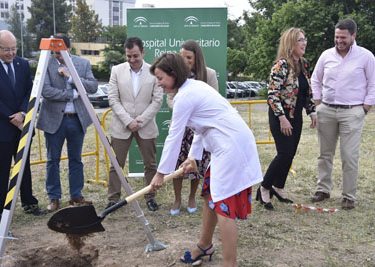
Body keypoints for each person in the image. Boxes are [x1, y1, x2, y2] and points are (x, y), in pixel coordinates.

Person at [150, 53, 262, 267]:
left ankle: (230, 264)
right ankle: (204, 245)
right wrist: (193, 156)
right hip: (224, 146)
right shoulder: (191, 88)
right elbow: (202, 128)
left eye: (161, 78)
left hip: (231, 148)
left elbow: (175, 136)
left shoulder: (185, 95)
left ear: (173, 74)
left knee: (223, 205)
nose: (159, 84)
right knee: (211, 196)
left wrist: (160, 173)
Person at [0, 30, 46, 225]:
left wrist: (23, 113)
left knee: (23, 166)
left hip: (22, 125)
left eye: (13, 49)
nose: (10, 53)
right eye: (6, 49)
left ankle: (29, 203)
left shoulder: (22, 64)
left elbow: (30, 90)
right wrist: (12, 117)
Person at [310, 18, 375, 210]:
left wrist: (364, 109)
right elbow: (315, 79)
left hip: (352, 111)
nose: (339, 41)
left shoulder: (366, 57)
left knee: (349, 156)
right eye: (337, 37)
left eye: (343, 37)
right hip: (327, 110)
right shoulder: (326, 55)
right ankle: (323, 189)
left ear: (354, 36)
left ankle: (348, 196)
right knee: (324, 154)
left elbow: (373, 84)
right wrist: (318, 103)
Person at [256, 28, 317, 210]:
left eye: (304, 39)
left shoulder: (303, 65)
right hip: (281, 116)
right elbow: (272, 94)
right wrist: (282, 118)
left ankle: (278, 187)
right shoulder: (280, 65)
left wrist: (312, 111)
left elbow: (307, 91)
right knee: (283, 154)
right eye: (300, 40)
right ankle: (264, 187)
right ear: (290, 44)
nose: (304, 43)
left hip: (296, 117)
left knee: (290, 154)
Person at [36, 33, 98, 212]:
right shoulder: (46, 64)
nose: (59, 56)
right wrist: (72, 94)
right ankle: (54, 197)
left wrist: (71, 77)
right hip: (54, 120)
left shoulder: (82, 63)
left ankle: (76, 195)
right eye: (55, 53)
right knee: (52, 160)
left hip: (76, 120)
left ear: (69, 48)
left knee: (76, 159)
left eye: (61, 52)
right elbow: (46, 91)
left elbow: (93, 87)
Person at [106, 37, 163, 211]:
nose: (132, 60)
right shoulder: (116, 70)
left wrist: (141, 120)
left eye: (135, 56)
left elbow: (158, 100)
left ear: (143, 52)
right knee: (116, 164)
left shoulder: (154, 72)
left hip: (146, 127)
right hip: (121, 126)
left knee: (150, 165)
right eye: (129, 56)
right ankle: (113, 199)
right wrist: (128, 121)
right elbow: (113, 99)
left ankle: (150, 197)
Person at [166, 40, 218, 215]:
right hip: (181, 126)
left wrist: (194, 108)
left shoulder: (209, 74)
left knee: (196, 164)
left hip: (200, 129)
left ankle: (191, 197)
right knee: (178, 166)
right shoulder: (177, 74)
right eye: (182, 57)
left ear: (197, 58)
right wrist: (183, 107)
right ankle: (177, 199)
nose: (185, 60)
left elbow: (214, 99)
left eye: (188, 57)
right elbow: (170, 99)